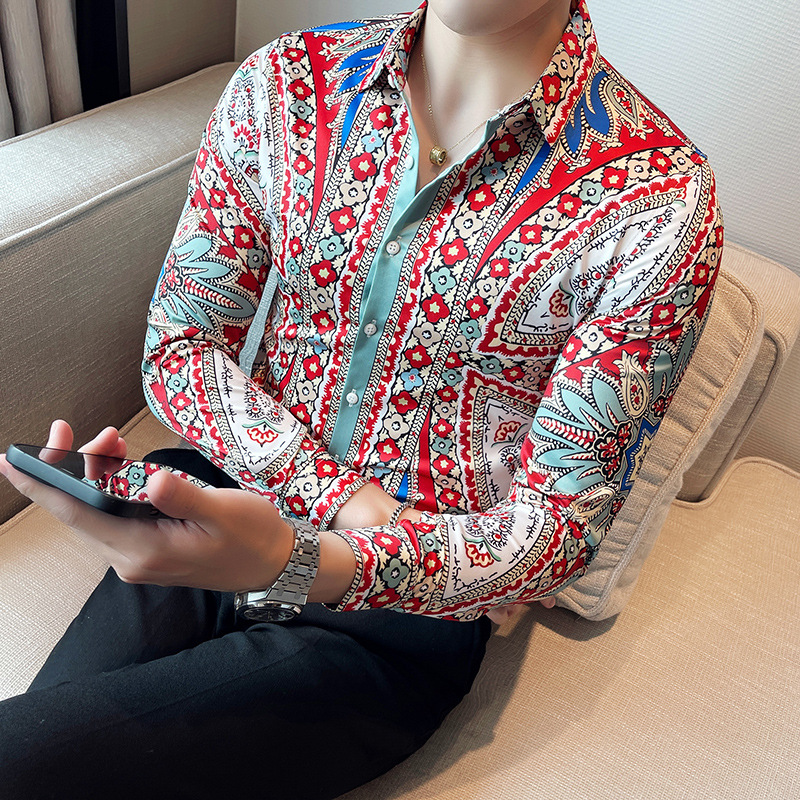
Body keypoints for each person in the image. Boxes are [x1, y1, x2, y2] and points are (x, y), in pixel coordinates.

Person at [0, 0, 722, 797]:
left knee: (26, 762)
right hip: (218, 502)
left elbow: (559, 528)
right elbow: (180, 344)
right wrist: (341, 502)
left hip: (402, 611)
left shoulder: (659, 197)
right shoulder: (286, 85)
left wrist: (304, 560)